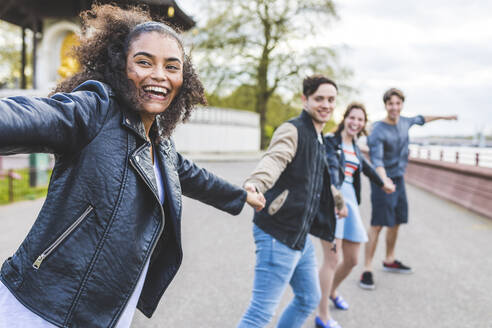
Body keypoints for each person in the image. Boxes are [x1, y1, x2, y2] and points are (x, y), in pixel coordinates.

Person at [0, 5, 265, 328]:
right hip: (41, 309)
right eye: (143, 62)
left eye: (172, 66)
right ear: (118, 66)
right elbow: (27, 117)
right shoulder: (95, 110)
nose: (159, 75)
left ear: (184, 79)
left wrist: (242, 196)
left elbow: (195, 177)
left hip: (107, 315)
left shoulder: (160, 144)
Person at [237, 75, 341, 328]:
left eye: (331, 100)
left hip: (299, 235)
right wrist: (256, 183)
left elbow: (317, 180)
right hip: (278, 233)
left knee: (309, 298)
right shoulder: (293, 129)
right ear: (305, 99)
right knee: (260, 314)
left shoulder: (319, 137)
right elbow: (275, 159)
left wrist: (338, 201)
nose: (326, 105)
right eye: (319, 99)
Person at [360, 88, 457, 289]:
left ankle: (389, 259)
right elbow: (376, 159)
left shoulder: (405, 122)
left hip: (399, 178)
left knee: (396, 220)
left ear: (402, 104)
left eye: (398, 103)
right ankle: (366, 269)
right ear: (385, 105)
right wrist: (384, 181)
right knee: (378, 224)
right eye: (390, 104)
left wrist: (446, 117)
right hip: (382, 180)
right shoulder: (378, 129)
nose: (394, 107)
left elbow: (422, 118)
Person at [315, 102, 395, 328]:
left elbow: (367, 168)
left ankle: (331, 291)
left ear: (363, 124)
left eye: (360, 120)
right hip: (334, 202)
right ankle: (322, 315)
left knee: (352, 259)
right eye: (352, 118)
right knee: (332, 260)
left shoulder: (356, 148)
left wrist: (384, 184)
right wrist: (337, 199)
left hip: (351, 203)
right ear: (345, 118)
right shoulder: (330, 141)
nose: (355, 123)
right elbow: (331, 169)